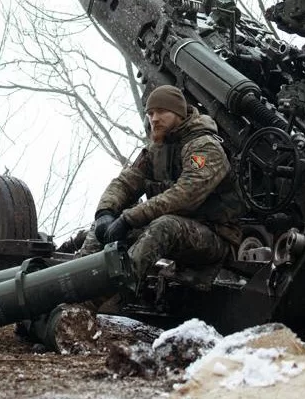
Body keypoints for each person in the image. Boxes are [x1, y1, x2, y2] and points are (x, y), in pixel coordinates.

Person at [85, 84, 243, 285]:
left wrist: (128, 219)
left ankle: (109, 293)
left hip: (216, 237)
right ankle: (73, 285)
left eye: (161, 111)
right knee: (105, 226)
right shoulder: (155, 150)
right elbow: (126, 182)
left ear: (178, 113)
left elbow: (185, 196)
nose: (154, 118)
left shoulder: (204, 147)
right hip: (178, 229)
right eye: (150, 113)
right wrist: (105, 213)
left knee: (163, 226)